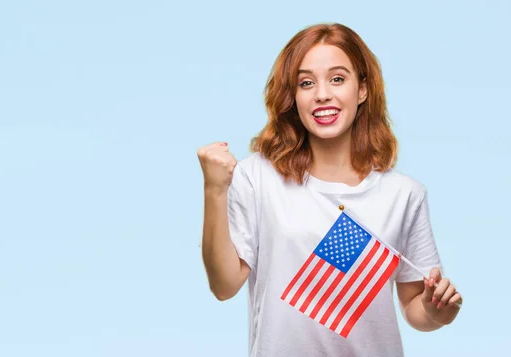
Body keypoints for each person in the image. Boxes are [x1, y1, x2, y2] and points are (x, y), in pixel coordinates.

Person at [197, 23, 462, 357]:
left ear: (362, 89)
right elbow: (224, 285)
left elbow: (413, 306)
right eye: (306, 83)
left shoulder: (404, 194)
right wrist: (214, 189)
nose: (322, 93)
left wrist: (437, 312)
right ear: (292, 96)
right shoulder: (257, 177)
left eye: (337, 78)